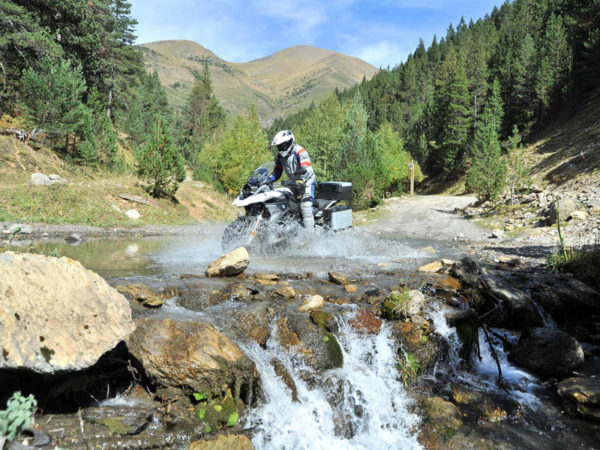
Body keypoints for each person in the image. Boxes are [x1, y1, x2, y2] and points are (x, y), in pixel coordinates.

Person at [269, 130, 316, 230]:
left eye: (282, 145)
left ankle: (310, 237)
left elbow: (306, 168)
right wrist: (268, 180)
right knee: (286, 204)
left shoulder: (300, 152)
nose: (280, 148)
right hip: (293, 183)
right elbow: (277, 171)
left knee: (305, 206)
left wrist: (300, 180)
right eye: (279, 146)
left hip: (306, 182)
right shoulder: (280, 156)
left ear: (289, 142)